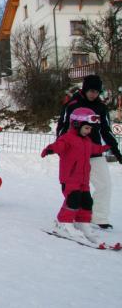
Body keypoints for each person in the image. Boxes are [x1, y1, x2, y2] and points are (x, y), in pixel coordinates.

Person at [56, 74, 122, 229]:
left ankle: (99, 218)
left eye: (97, 91)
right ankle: (69, 217)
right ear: (85, 89)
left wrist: (116, 151)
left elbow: (106, 131)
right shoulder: (72, 104)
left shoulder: (101, 107)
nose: (94, 94)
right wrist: (61, 147)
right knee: (75, 188)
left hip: (95, 151)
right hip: (75, 154)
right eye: (91, 90)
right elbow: (63, 127)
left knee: (105, 185)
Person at [42, 108, 110, 243]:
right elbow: (59, 145)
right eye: (86, 128)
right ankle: (63, 223)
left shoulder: (87, 141)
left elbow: (95, 149)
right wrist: (50, 149)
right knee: (73, 199)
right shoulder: (67, 138)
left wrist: (106, 147)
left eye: (90, 129)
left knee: (86, 201)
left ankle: (82, 223)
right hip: (70, 178)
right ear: (76, 124)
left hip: (83, 179)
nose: (88, 131)